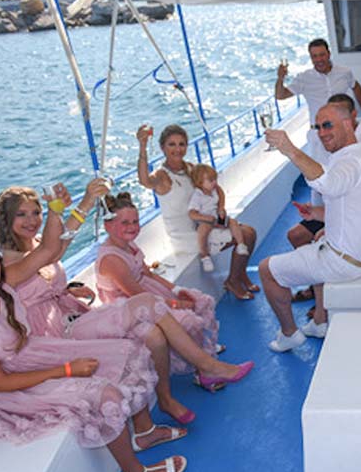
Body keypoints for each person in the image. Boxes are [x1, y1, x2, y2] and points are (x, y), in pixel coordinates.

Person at [0, 230, 186, 472]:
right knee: (105, 394)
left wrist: (61, 211)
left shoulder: (3, 286)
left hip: (36, 353)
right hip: (15, 385)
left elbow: (48, 250)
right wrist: (67, 370)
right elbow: (0, 382)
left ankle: (144, 431)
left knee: (128, 352)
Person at [0, 183, 242, 424]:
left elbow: (58, 245)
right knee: (146, 303)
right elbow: (51, 252)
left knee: (153, 335)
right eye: (21, 214)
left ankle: (165, 399)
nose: (31, 220)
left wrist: (88, 200)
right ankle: (208, 367)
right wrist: (57, 209)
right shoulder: (6, 264)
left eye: (36, 212)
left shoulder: (39, 243)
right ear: (6, 220)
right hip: (53, 338)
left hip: (72, 318)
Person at [261, 103, 361, 351]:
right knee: (319, 239)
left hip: (345, 263)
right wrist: (316, 213)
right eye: (317, 127)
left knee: (267, 270)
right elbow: (352, 207)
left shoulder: (351, 163)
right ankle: (320, 321)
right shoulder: (358, 157)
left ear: (348, 124)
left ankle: (289, 334)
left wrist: (289, 149)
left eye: (328, 125)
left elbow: (328, 182)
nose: (321, 132)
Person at [95, 193, 254, 390]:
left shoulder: (129, 244)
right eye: (125, 222)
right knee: (187, 320)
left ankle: (204, 356)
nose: (132, 227)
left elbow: (148, 274)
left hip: (148, 293)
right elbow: (138, 296)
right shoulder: (111, 259)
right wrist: (175, 304)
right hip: (131, 307)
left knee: (201, 300)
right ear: (108, 226)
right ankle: (205, 370)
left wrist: (177, 290)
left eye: (135, 221)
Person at [136, 124, 259, 300]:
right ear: (162, 147)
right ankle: (233, 281)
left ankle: (239, 275)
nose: (178, 149)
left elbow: (216, 188)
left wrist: (220, 208)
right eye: (172, 144)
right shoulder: (162, 176)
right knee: (245, 234)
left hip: (206, 222)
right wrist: (142, 146)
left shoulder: (191, 168)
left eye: (182, 144)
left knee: (250, 233)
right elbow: (145, 181)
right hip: (186, 235)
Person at [188, 164, 249, 273]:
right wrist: (206, 218)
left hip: (217, 217)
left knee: (233, 222)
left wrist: (221, 208)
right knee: (202, 231)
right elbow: (192, 214)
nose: (215, 183)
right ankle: (205, 256)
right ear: (200, 183)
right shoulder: (197, 196)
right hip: (206, 221)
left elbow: (221, 194)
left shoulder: (214, 189)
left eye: (215, 179)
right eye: (211, 180)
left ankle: (241, 244)